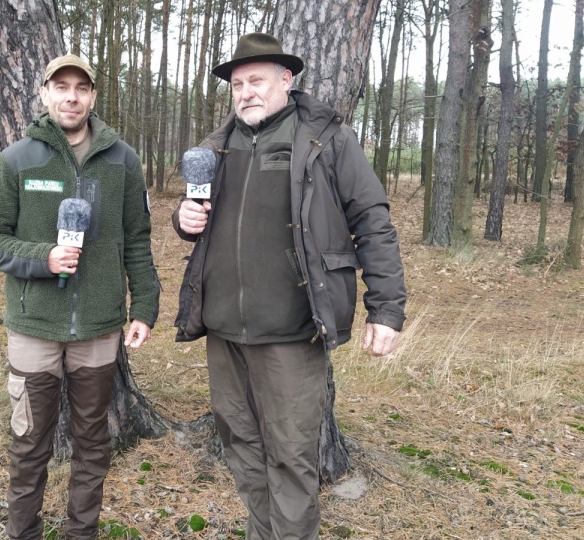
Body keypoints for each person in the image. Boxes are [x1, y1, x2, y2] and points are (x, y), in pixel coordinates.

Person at [173, 33, 406, 538]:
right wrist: (183, 216)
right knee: (240, 448)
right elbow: (201, 221)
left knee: (291, 457)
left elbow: (372, 220)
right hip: (224, 332)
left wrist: (386, 310)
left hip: (292, 334)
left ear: (286, 78)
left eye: (256, 80)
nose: (245, 92)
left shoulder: (325, 139)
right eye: (237, 84)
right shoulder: (218, 147)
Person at [0, 53, 159, 540]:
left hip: (98, 327)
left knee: (93, 443)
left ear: (93, 96)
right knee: (29, 443)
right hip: (34, 325)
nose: (71, 96)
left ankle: (82, 533)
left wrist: (143, 306)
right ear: (45, 94)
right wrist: (44, 257)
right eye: (61, 87)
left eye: (81, 87)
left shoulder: (123, 159)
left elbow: (137, 240)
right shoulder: (18, 159)